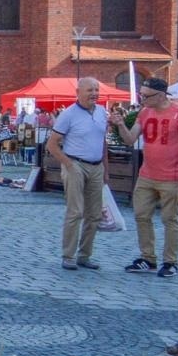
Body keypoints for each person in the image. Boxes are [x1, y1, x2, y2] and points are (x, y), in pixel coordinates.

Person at [110, 76, 178, 277]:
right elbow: (131, 139)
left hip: (171, 176)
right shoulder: (145, 112)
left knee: (170, 219)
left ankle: (170, 262)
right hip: (147, 174)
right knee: (141, 216)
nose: (142, 99)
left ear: (160, 95)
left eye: (146, 96)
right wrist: (121, 125)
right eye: (141, 95)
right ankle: (148, 258)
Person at [47, 78, 108, 271]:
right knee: (75, 211)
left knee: (94, 214)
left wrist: (106, 168)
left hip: (96, 165)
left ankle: (85, 255)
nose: (94, 94)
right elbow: (52, 144)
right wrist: (68, 164)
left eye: (96, 90)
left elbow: (102, 141)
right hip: (76, 164)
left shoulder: (101, 112)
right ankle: (68, 255)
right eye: (90, 90)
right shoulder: (68, 114)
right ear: (78, 92)